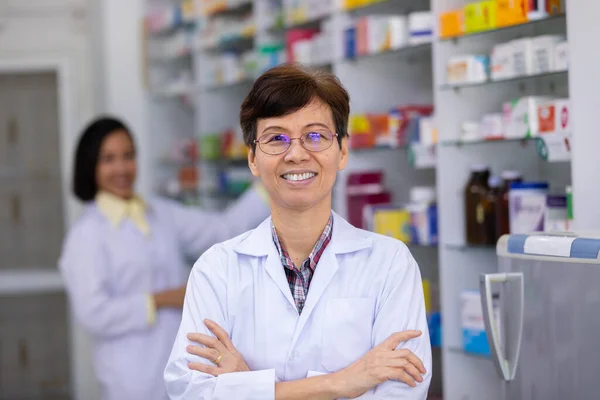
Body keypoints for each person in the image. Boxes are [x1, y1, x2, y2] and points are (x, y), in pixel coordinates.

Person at [164, 64, 432, 399]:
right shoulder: (217, 269)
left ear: (343, 151)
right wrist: (343, 382)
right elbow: (190, 391)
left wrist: (250, 386)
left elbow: (402, 392)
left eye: (316, 136)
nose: (296, 154)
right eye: (276, 138)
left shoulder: (391, 264)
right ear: (252, 158)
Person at [58, 117, 271, 400]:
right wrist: (161, 299)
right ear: (90, 166)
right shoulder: (86, 235)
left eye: (128, 156)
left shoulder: (159, 213)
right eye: (108, 159)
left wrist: (269, 184)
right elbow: (93, 313)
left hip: (179, 366)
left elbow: (222, 229)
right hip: (130, 377)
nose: (122, 168)